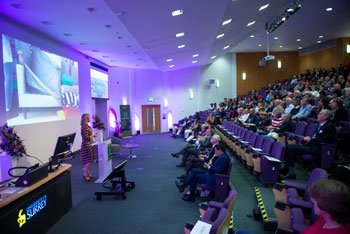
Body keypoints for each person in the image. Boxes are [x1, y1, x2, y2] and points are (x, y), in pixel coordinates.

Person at [280, 109, 336, 179]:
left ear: (325, 117)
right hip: (311, 146)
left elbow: (324, 141)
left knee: (291, 147)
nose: (318, 115)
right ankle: (287, 169)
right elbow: (316, 137)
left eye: (320, 114)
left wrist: (310, 140)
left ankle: (289, 171)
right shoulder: (320, 125)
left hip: (318, 149)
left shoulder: (329, 126)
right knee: (290, 147)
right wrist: (309, 139)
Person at [80, 113, 97, 181]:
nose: (90, 118)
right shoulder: (85, 127)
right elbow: (86, 137)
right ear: (86, 118)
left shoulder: (86, 126)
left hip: (89, 144)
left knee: (88, 160)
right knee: (89, 160)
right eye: (89, 117)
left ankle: (88, 173)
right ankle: (85, 174)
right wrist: (93, 135)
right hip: (86, 145)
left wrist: (92, 135)